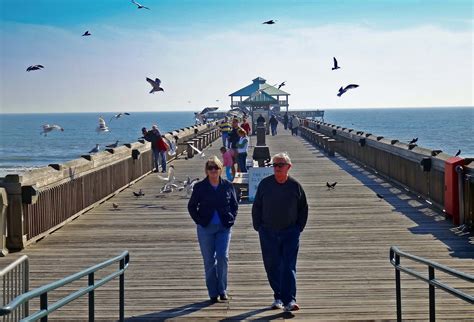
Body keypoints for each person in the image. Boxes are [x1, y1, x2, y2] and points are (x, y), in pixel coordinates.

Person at [251, 152, 308, 312]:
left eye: (280, 165)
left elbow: (303, 208)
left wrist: (298, 228)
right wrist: (258, 226)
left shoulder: (295, 186)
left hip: (290, 232)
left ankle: (290, 300)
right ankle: (278, 296)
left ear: (288, 167)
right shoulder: (265, 184)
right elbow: (257, 206)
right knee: (272, 265)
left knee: (288, 266)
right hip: (268, 231)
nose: (276, 168)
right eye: (274, 165)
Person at [188, 156, 239, 304]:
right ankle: (212, 292)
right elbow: (191, 206)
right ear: (206, 170)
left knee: (223, 257)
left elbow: (234, 205)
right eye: (210, 168)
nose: (213, 170)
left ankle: (223, 290)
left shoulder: (228, 186)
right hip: (206, 228)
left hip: (224, 227)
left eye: (216, 167)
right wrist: (199, 221)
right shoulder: (199, 187)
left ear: (220, 169)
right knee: (209, 261)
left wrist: (231, 219)